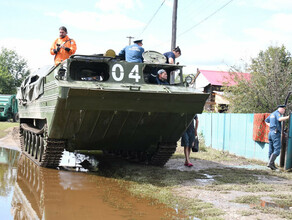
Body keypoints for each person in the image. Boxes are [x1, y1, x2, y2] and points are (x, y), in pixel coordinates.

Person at [265, 104, 289, 170]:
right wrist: (288, 117)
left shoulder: (272, 114)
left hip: (271, 132)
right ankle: (270, 163)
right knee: (277, 150)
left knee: (271, 150)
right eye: (284, 110)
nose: (284, 111)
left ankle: (271, 165)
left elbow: (266, 121)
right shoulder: (277, 114)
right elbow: (280, 119)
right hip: (275, 133)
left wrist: (271, 126)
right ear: (281, 109)